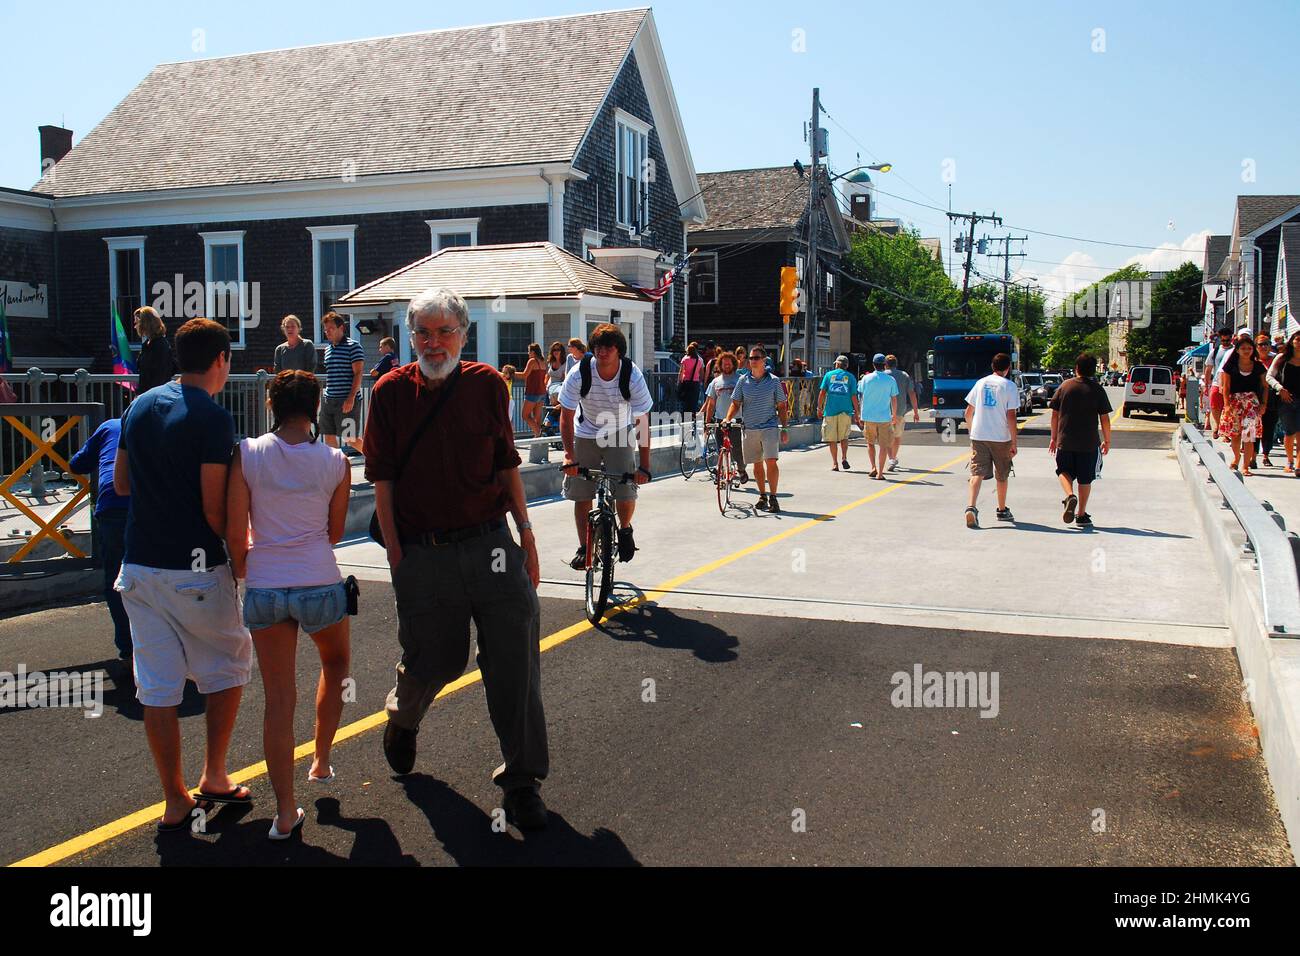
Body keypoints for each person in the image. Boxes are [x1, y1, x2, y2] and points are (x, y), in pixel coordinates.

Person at [365, 287, 548, 830]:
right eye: (423, 332)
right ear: (410, 336)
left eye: (445, 331)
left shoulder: (488, 385)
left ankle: (522, 782)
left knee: (514, 661)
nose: (433, 341)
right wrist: (396, 550)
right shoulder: (390, 392)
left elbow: (505, 462)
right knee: (437, 658)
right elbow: (383, 478)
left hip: (491, 544)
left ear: (464, 335)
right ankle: (404, 717)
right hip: (425, 553)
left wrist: (527, 536)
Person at [112, 318, 252, 831]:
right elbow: (215, 509)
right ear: (220, 361)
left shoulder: (141, 404)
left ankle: (175, 799)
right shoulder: (212, 418)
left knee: (158, 687)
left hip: (139, 565)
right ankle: (214, 774)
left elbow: (122, 483)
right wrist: (240, 556)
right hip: (193, 567)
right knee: (230, 665)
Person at [226, 370, 352, 840]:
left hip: (265, 584)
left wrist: (247, 572)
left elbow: (236, 531)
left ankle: (284, 812)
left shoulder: (247, 453)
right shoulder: (337, 461)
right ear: (316, 406)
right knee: (336, 664)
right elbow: (335, 533)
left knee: (279, 699)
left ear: (270, 405)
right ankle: (320, 759)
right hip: (319, 580)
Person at [559, 323, 653, 567]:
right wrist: (569, 455)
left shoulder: (631, 375)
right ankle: (584, 547)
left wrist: (643, 466)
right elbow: (566, 415)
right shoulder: (580, 372)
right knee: (582, 493)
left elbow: (642, 420)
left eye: (609, 347)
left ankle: (624, 529)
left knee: (624, 489)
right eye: (598, 346)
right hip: (586, 432)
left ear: (618, 351)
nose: (602, 352)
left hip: (620, 432)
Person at [69, 417, 132, 685]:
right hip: (150, 507)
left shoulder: (109, 426)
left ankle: (128, 652)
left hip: (112, 505)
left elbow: (77, 464)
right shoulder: (159, 425)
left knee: (114, 582)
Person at [723, 345, 790, 512]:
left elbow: (781, 406)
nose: (752, 361)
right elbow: (736, 402)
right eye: (751, 358)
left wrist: (784, 428)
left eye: (756, 358)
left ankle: (773, 497)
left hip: (769, 427)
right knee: (757, 465)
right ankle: (762, 496)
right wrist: (727, 418)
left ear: (764, 361)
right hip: (750, 428)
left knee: (771, 461)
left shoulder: (774, 381)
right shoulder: (742, 380)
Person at [1049, 353, 1112, 528]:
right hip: (1089, 443)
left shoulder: (1065, 386)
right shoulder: (1097, 389)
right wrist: (1107, 440)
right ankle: (1082, 515)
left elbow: (1054, 415)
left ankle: (1070, 495)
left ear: (1076, 368)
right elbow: (1104, 418)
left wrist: (1053, 438)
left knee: (1063, 471)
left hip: (1065, 440)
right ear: (1093, 371)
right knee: (1085, 479)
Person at [963, 352, 1020, 527]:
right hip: (1000, 437)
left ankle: (971, 507)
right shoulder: (1009, 386)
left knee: (977, 472)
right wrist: (1014, 441)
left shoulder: (980, 383)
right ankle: (1002, 510)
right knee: (1002, 474)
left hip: (979, 435)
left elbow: (967, 413)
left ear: (992, 367)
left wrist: (974, 432)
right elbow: (1011, 416)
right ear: (1008, 368)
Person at [1220, 335, 1267, 475]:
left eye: (1249, 348)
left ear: (1253, 350)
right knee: (1235, 435)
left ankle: (1245, 466)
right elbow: (1226, 387)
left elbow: (1265, 386)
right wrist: (1227, 405)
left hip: (1251, 404)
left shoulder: (1258, 366)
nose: (1246, 351)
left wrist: (1263, 403)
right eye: (1243, 348)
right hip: (1234, 402)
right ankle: (1236, 457)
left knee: (1248, 436)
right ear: (1238, 350)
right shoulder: (1230, 366)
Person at [320, 312, 365, 454]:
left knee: (349, 437)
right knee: (328, 436)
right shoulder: (327, 350)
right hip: (329, 400)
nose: (327, 332)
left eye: (331, 328)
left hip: (346, 401)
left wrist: (350, 398)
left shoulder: (353, 346)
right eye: (326, 329)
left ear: (341, 328)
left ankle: (377, 460)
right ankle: (335, 469)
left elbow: (358, 373)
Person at [700, 350, 747, 482]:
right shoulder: (715, 382)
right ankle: (721, 471)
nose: (727, 366)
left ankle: (741, 470)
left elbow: (747, 401)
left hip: (735, 419)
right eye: (724, 364)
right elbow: (711, 403)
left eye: (729, 364)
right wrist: (707, 422)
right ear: (720, 365)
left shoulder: (740, 380)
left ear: (733, 364)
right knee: (721, 447)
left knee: (736, 447)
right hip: (720, 420)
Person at [1266, 330, 1300, 475]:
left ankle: (1298, 464)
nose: (1299, 343)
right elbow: (1269, 376)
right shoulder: (1282, 358)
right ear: (1292, 341)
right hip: (1285, 399)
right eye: (1297, 340)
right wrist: (1280, 389)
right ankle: (1290, 461)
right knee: (1289, 432)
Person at [819, 355, 860, 471]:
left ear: (837, 364)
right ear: (846, 366)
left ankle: (835, 463)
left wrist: (819, 408)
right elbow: (853, 396)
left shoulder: (828, 375)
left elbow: (822, 393)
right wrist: (857, 412)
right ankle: (844, 457)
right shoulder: (851, 377)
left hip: (830, 411)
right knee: (844, 437)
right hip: (845, 411)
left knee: (832, 439)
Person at [884, 354, 920, 472]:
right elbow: (912, 393)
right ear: (896, 363)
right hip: (900, 411)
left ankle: (891, 459)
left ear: (885, 364)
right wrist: (915, 411)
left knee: (887, 437)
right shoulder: (904, 375)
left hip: (883, 411)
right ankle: (893, 458)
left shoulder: (882, 376)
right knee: (897, 436)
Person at [133, 307, 176, 394]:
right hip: (146, 394)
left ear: (145, 323)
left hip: (156, 395)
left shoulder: (160, 345)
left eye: (137, 321)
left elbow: (160, 375)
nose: (134, 324)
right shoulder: (146, 345)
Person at [1204, 327, 1235, 437]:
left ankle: (1226, 430)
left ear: (1231, 339)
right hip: (1217, 382)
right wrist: (1207, 384)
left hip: (1232, 383)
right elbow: (1208, 368)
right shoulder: (1215, 351)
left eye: (1228, 340)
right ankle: (1218, 425)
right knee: (1215, 405)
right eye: (1223, 340)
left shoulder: (1235, 351)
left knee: (1229, 407)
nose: (1226, 343)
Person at [1255, 333, 1279, 467]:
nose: (1264, 347)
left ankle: (1266, 455)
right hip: (1255, 397)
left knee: (1269, 427)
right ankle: (1252, 455)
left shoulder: (1277, 360)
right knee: (1252, 427)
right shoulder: (1252, 359)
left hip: (1272, 398)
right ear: (1256, 346)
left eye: (1266, 344)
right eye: (1260, 344)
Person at [522, 343, 547, 438]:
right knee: (537, 418)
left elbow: (524, 375)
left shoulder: (532, 361)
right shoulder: (542, 361)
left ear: (533, 352)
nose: (528, 353)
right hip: (542, 392)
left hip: (532, 392)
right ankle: (538, 438)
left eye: (529, 351)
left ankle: (538, 432)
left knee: (525, 415)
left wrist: (509, 373)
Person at [678, 341, 705, 419]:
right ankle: (693, 418)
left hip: (686, 382)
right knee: (694, 402)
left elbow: (681, 371)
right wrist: (699, 382)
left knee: (685, 402)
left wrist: (680, 382)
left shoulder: (685, 359)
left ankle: (684, 418)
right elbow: (702, 373)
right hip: (695, 383)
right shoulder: (699, 360)